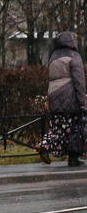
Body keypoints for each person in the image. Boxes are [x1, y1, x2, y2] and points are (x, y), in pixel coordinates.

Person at [40, 31, 85, 167]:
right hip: (69, 96)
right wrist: (82, 101)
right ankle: (71, 156)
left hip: (54, 95)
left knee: (60, 126)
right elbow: (79, 81)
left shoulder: (53, 57)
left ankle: (46, 146)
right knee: (75, 127)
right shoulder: (74, 56)